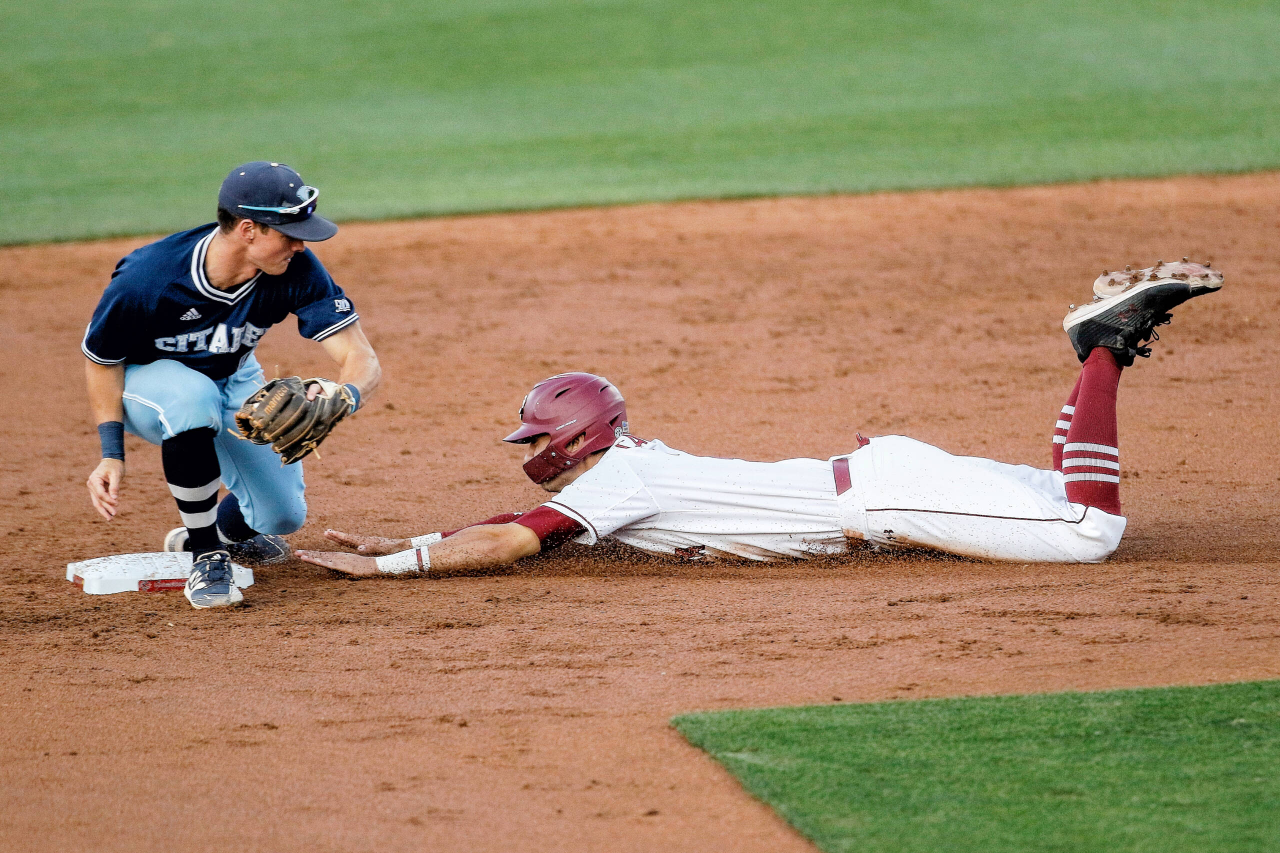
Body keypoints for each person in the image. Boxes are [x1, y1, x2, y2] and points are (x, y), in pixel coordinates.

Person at [297, 261, 1220, 577]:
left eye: (537, 437)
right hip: (884, 479)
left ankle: (1102, 348)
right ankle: (1098, 349)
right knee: (1063, 492)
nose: (531, 452)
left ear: (575, 434)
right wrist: (409, 536)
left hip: (888, 498)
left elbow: (512, 540)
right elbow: (515, 522)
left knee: (1087, 529)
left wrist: (391, 567)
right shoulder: (628, 470)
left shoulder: (617, 479)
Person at [84, 161, 381, 608]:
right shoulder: (149, 276)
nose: (300, 245)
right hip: (147, 386)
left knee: (281, 516)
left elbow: (361, 357)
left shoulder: (297, 269)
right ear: (248, 230)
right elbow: (103, 361)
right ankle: (207, 558)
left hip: (234, 377)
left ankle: (207, 535)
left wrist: (345, 394)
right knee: (192, 396)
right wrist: (111, 453)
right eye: (289, 234)